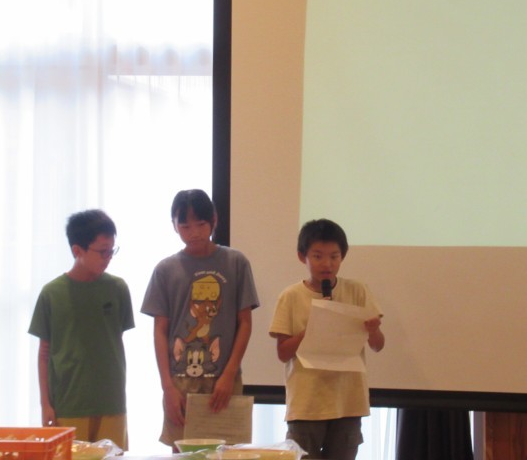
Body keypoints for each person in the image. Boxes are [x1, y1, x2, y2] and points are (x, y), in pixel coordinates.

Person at [141, 189, 260, 449]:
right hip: (180, 381)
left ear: (214, 220)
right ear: (174, 225)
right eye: (185, 226)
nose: (193, 232)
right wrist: (167, 387)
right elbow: (160, 331)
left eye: (201, 224)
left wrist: (229, 374)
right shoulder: (165, 270)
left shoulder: (236, 262)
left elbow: (245, 323)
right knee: (183, 451)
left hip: (224, 379)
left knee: (226, 451)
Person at [269, 218, 385, 460]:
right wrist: (311, 331)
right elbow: (282, 353)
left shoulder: (357, 291)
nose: (327, 264)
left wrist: (374, 330)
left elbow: (377, 346)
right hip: (306, 405)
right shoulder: (290, 296)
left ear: (343, 256)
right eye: (318, 256)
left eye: (334, 256)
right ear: (302, 256)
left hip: (348, 402)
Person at [28, 209, 134, 450]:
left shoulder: (118, 289)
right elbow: (44, 353)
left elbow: (113, 341)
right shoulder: (52, 293)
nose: (108, 257)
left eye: (112, 250)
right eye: (102, 251)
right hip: (68, 403)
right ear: (77, 250)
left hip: (111, 401)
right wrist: (46, 404)